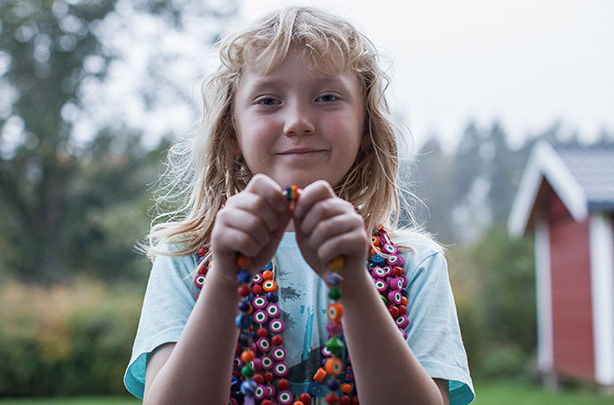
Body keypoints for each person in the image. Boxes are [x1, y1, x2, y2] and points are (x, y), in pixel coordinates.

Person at [124, 6, 474, 404]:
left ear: (366, 127)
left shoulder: (416, 264)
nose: (298, 122)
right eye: (268, 100)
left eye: (327, 97)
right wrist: (225, 279)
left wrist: (354, 285)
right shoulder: (186, 259)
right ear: (232, 130)